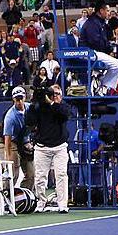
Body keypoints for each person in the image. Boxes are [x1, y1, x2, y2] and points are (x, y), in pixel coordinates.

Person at [27, 84, 71, 213]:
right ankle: (41, 202)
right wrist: (34, 101)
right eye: (52, 93)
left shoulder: (63, 106)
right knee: (40, 177)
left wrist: (53, 103)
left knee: (61, 175)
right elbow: (29, 122)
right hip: (42, 147)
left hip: (60, 147)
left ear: (61, 96)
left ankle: (62, 204)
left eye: (57, 94)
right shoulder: (40, 107)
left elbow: (65, 115)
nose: (54, 96)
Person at [80, 1, 118, 95]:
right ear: (101, 11)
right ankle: (102, 87)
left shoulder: (100, 22)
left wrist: (110, 29)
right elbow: (95, 42)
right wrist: (109, 47)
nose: (109, 13)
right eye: (107, 10)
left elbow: (105, 37)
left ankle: (102, 85)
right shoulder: (92, 23)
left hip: (96, 52)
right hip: (89, 53)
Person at [0, 87, 34, 190]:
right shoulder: (10, 116)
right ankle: (4, 197)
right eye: (17, 99)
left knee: (31, 174)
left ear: (25, 97)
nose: (19, 101)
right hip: (3, 141)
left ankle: (24, 197)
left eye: (21, 98)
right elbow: (7, 141)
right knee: (12, 171)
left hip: (22, 140)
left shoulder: (31, 109)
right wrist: (8, 161)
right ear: (13, 99)